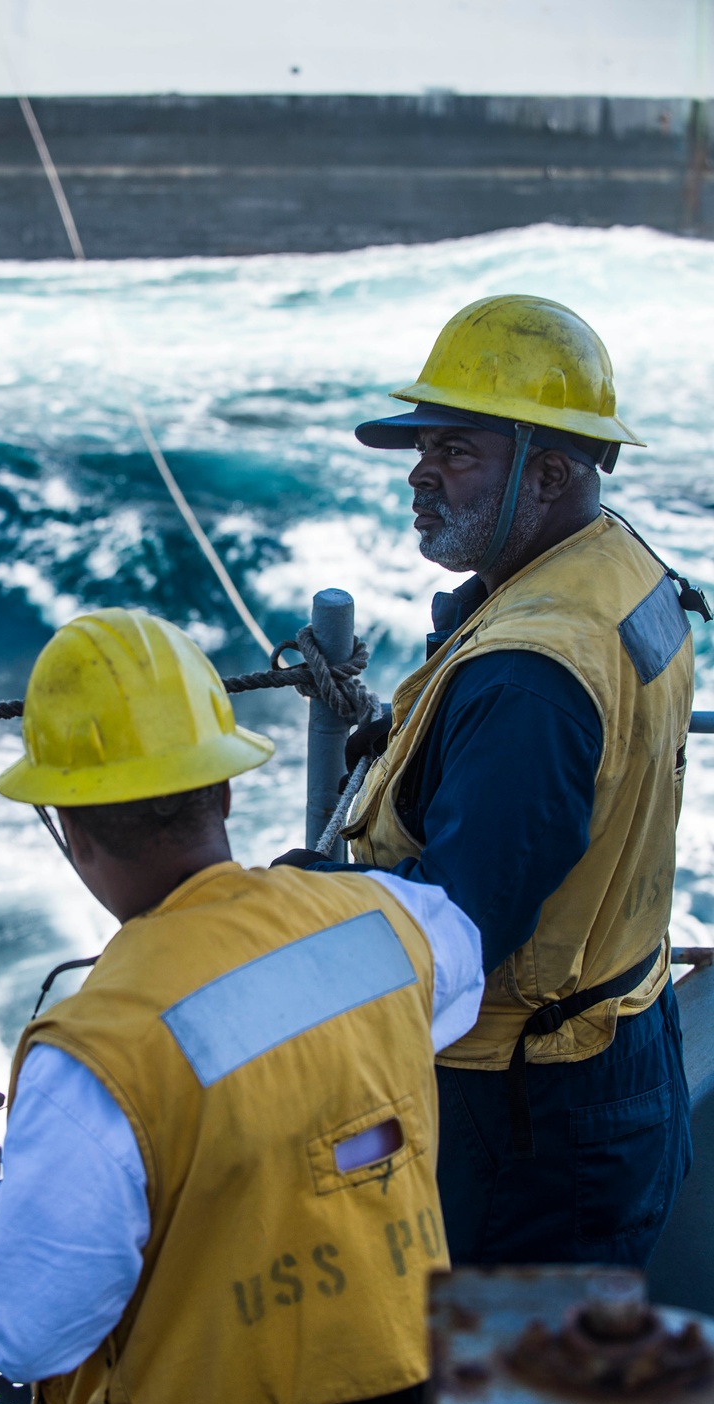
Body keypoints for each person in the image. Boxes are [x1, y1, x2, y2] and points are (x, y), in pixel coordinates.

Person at [0, 607, 483, 1404]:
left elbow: (29, 1330)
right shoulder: (392, 925)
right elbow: (455, 977)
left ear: (74, 833)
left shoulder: (95, 1057)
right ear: (225, 792)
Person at [297, 294, 699, 1268]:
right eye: (423, 447)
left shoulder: (528, 679)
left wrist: (294, 906)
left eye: (457, 452)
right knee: (555, 1384)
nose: (420, 475)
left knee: (513, 1394)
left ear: (551, 473)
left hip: (528, 1113)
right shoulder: (617, 566)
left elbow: (459, 934)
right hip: (616, 1035)